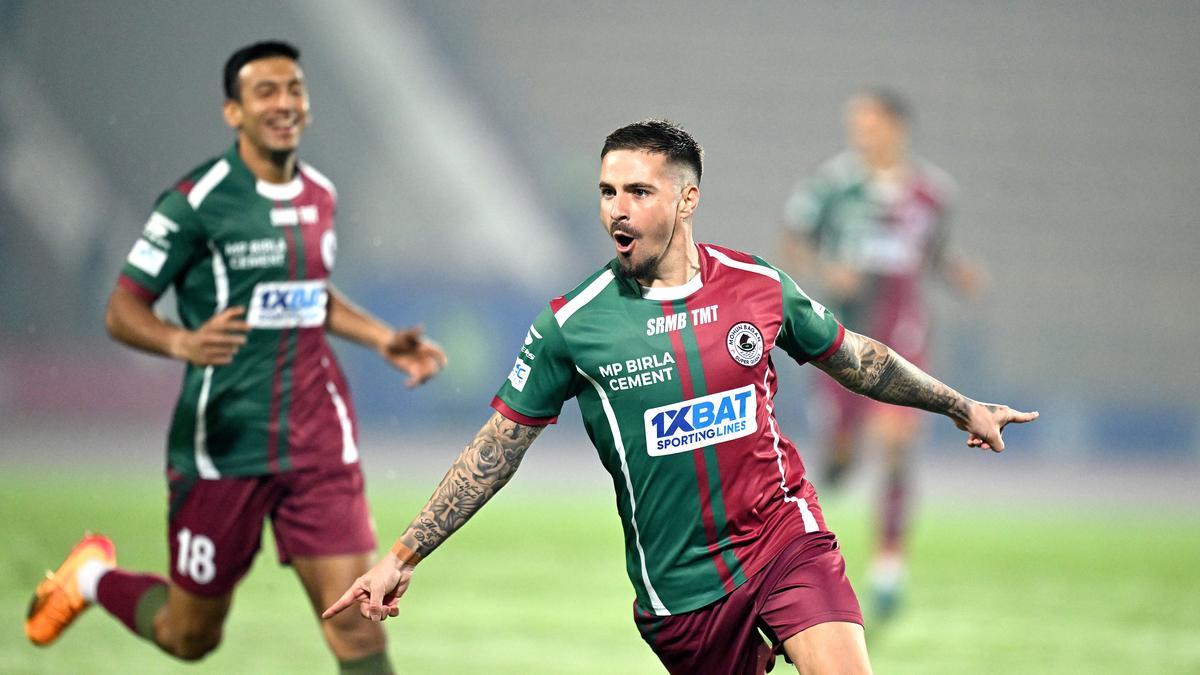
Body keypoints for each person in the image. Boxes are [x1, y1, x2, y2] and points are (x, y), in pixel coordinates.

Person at [322, 119, 1036, 675]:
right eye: (608, 192)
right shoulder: (573, 324)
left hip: (782, 536)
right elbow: (497, 450)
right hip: (680, 588)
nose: (618, 209)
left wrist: (960, 405)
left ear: (687, 198)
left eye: (639, 191)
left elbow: (856, 358)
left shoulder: (758, 286)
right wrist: (404, 554)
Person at [24, 41, 446, 674]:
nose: (284, 104)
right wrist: (180, 341)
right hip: (224, 443)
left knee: (358, 626)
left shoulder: (320, 194)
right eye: (265, 92)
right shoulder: (195, 203)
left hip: (316, 439)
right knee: (189, 637)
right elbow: (121, 309)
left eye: (294, 89)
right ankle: (90, 578)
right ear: (233, 112)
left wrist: (382, 339)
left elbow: (310, 293)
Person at [781, 89, 982, 618]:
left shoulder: (932, 193)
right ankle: (837, 462)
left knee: (895, 444)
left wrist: (956, 272)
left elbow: (933, 252)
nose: (860, 135)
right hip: (842, 336)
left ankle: (889, 567)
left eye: (868, 124)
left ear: (896, 127)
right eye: (856, 125)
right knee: (842, 457)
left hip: (904, 330)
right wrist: (828, 268)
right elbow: (794, 242)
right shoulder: (831, 186)